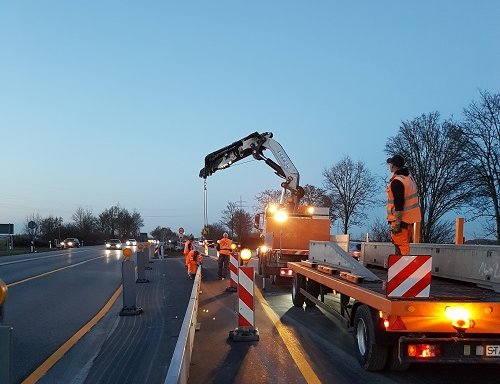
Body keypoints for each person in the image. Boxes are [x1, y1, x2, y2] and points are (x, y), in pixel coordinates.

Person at [386, 154, 422, 255]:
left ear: (393, 166)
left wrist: (397, 224)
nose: (389, 166)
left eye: (390, 164)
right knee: (403, 247)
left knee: (401, 250)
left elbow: (399, 204)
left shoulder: (397, 182)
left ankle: (402, 269)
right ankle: (402, 268)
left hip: (400, 222)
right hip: (408, 221)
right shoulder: (409, 179)